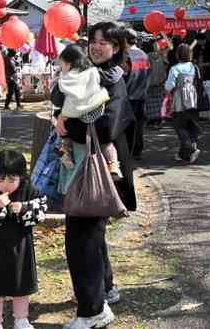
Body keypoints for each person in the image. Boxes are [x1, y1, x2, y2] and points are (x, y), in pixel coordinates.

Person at [52, 22, 136, 329]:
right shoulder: (89, 75)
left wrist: (66, 126)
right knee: (92, 234)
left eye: (105, 42)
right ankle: (105, 290)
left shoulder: (112, 80)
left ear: (116, 48)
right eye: (93, 41)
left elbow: (105, 128)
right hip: (86, 167)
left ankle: (92, 312)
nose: (96, 46)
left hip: (95, 170)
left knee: (81, 239)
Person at [0, 150, 47, 329]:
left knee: (21, 286)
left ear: (21, 177)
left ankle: (21, 320)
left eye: (11, 180)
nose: (5, 185)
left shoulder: (29, 191)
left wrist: (23, 209)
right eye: (0, 180)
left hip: (21, 247)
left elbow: (41, 211)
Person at [52, 44, 122, 180]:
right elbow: (113, 76)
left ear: (68, 63)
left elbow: (57, 99)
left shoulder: (65, 79)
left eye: (63, 65)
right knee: (107, 144)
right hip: (97, 116)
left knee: (64, 134)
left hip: (73, 122)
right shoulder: (95, 72)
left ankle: (65, 153)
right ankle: (113, 165)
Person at [165, 43, 201, 163]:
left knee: (179, 125)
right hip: (193, 98)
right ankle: (185, 155)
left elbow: (169, 86)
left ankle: (190, 149)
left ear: (177, 54)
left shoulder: (175, 68)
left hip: (180, 99)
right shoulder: (193, 67)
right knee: (191, 124)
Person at [123, 29, 150, 160]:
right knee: (139, 126)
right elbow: (147, 74)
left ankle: (129, 152)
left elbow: (124, 77)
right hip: (142, 95)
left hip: (129, 96)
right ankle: (138, 151)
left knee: (128, 127)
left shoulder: (126, 56)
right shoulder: (144, 55)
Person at [145, 38, 170, 127]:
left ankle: (154, 120)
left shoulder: (148, 57)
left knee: (154, 103)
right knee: (157, 102)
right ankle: (156, 120)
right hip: (158, 82)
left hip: (155, 83)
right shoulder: (159, 56)